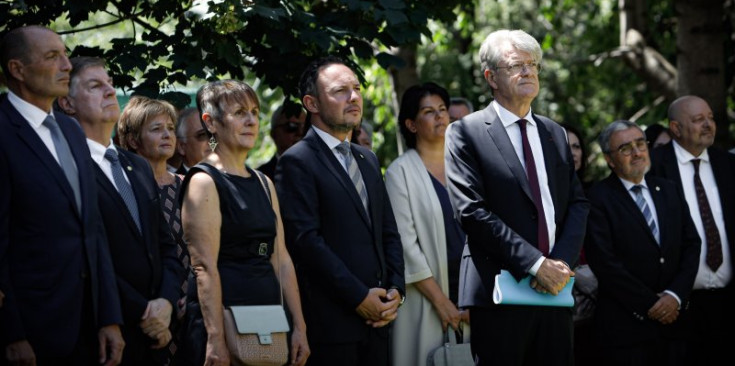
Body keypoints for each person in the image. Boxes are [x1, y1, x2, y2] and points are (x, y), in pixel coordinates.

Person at [444, 29, 589, 366]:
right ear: (491, 77)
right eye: (516, 66)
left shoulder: (553, 132)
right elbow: (471, 211)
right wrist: (535, 265)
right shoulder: (466, 132)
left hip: (555, 290)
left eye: (533, 64)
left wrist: (561, 265)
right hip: (500, 290)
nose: (527, 72)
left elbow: (577, 203)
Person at [0, 26, 125, 365]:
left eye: (65, 54)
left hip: (89, 330)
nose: (67, 65)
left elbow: (92, 228)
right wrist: (11, 332)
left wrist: (109, 317)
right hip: (32, 331)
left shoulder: (71, 129)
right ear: (17, 70)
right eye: (52, 57)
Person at [275, 56, 405, 365]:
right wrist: (359, 297)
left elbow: (387, 230)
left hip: (380, 323)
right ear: (312, 103)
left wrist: (397, 289)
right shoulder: (297, 161)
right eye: (340, 91)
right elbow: (306, 243)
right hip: (332, 326)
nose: (354, 97)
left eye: (357, 88)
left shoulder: (368, 159)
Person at [57, 56, 185, 365]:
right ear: (67, 102)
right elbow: (88, 257)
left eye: (111, 84)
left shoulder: (138, 166)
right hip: (103, 331)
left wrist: (165, 303)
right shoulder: (65, 166)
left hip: (159, 332)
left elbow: (166, 246)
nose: (110, 91)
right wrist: (145, 311)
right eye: (95, 86)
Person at [178, 79, 309, 366]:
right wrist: (215, 339)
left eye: (253, 111)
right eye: (239, 113)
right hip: (222, 324)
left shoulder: (264, 183)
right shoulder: (203, 181)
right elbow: (204, 268)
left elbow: (282, 259)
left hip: (269, 319)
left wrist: (299, 326)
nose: (251, 120)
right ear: (210, 122)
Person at [585, 120, 700, 366]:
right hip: (627, 332)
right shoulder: (597, 198)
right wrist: (652, 305)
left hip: (676, 328)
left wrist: (675, 296)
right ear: (609, 159)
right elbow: (604, 262)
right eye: (626, 148)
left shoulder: (668, 189)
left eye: (640, 144)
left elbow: (692, 244)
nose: (637, 152)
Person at [385, 82, 468, 366]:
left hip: (473, 299)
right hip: (428, 299)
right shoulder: (400, 172)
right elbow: (406, 246)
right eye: (429, 112)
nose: (440, 117)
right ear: (411, 124)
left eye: (443, 110)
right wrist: (443, 303)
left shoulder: (468, 166)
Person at [649, 95, 735, 366]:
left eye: (710, 118)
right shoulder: (652, 167)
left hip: (728, 302)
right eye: (698, 120)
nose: (708, 124)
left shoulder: (728, 165)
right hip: (676, 304)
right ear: (675, 128)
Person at [115, 95, 191, 339]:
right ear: (132, 140)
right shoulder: (123, 189)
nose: (167, 135)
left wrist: (195, 295)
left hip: (194, 304)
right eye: (157, 129)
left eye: (170, 128)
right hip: (149, 310)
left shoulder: (190, 185)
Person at [257, 101, 306, 179]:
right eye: (291, 126)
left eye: (306, 128)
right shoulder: (260, 179)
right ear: (274, 134)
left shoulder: (322, 168)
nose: (300, 133)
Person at [175, 107, 211, 175]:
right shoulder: (176, 184)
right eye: (202, 135)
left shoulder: (232, 176)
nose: (212, 140)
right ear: (181, 147)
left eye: (214, 134)